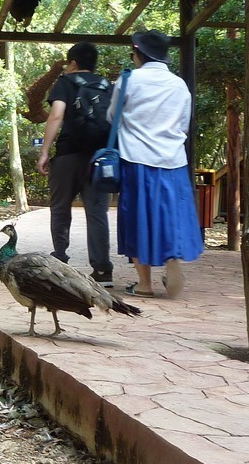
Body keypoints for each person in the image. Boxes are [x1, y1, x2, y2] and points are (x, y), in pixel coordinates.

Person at [108, 29, 203, 298]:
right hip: (172, 161)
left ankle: (144, 284)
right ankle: (172, 257)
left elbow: (112, 116)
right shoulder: (179, 85)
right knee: (170, 215)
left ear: (138, 54)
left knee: (138, 218)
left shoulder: (128, 80)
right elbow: (184, 124)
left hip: (136, 160)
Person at [37, 42, 114, 286]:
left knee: (60, 207)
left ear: (73, 63)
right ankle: (103, 270)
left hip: (69, 155)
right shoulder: (107, 86)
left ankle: (59, 260)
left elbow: (56, 115)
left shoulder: (65, 82)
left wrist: (45, 151)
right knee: (97, 213)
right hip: (99, 159)